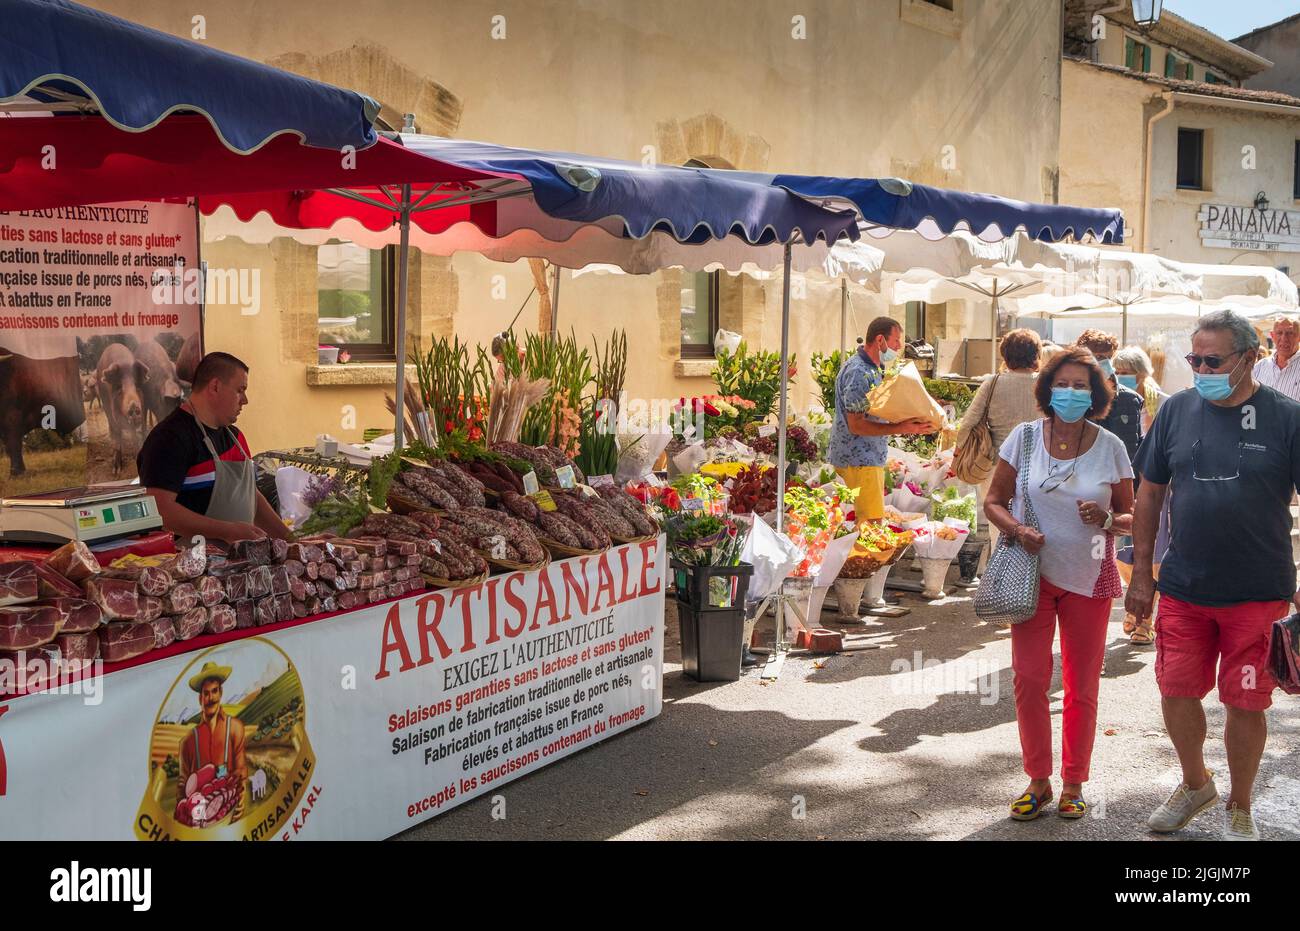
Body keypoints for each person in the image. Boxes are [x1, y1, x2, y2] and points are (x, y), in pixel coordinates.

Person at [1127, 309, 1300, 841]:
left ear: (1250, 358)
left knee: (1245, 701)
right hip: (1184, 586)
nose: (1200, 368)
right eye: (1194, 359)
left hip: (1257, 591)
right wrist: (1141, 573)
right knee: (1176, 690)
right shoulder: (1178, 410)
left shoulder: (1288, 418)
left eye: (1212, 360)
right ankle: (1195, 783)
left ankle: (1239, 806)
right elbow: (1150, 493)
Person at [983, 346, 1134, 822]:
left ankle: (1073, 782)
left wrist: (1108, 517)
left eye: (1080, 386)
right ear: (1047, 390)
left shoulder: (1111, 445)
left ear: (1095, 394)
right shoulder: (1025, 439)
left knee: (1081, 683)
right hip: (1031, 578)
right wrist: (1017, 530)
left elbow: (1133, 517)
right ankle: (1037, 780)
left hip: (1088, 578)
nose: (1070, 393)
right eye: (1061, 384)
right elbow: (994, 501)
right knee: (1028, 680)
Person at [138, 352, 291, 545]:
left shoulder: (235, 437)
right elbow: (160, 510)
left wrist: (293, 540)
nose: (245, 400)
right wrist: (227, 531)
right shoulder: (169, 438)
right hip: (191, 568)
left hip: (240, 566)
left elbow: (251, 496)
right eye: (240, 390)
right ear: (215, 386)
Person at [829, 316, 932, 526]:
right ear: (879, 340)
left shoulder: (874, 368)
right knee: (869, 527)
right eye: (895, 341)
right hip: (859, 461)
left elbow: (875, 409)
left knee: (866, 525)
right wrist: (901, 427)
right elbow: (856, 424)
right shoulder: (859, 372)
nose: (899, 347)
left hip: (867, 458)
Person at [955, 328, 1041, 546]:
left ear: (1005, 356)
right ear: (1036, 355)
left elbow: (967, 425)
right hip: (1041, 466)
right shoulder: (1046, 384)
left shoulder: (992, 383)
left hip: (998, 467)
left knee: (1000, 530)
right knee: (1037, 528)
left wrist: (958, 452)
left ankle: (1002, 575)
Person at [1112, 346, 1171, 644]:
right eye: (1117, 372)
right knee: (1126, 552)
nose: (1121, 378)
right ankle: (1134, 607)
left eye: (1126, 372)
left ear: (1142, 374)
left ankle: (1144, 620)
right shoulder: (1113, 403)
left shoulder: (1162, 403)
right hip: (1128, 486)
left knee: (1153, 552)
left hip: (1157, 489)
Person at [179, 661, 247, 823]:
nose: (211, 698)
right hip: (201, 820)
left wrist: (241, 798)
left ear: (221, 693)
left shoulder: (235, 728)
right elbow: (182, 786)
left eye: (215, 691)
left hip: (229, 811)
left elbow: (241, 769)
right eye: (206, 693)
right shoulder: (187, 741)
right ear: (200, 698)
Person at [1075, 329, 1144, 466]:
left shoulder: (1130, 398)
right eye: (1098, 357)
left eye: (1108, 357)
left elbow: (1135, 447)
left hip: (1121, 477)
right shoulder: (1074, 397)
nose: (1104, 363)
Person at [1253, 315, 1300, 402]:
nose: (1284, 338)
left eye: (1290, 333)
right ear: (1272, 336)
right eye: (1279, 333)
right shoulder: (1259, 367)